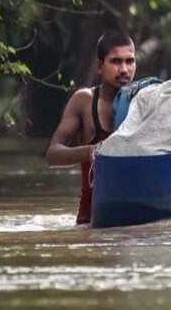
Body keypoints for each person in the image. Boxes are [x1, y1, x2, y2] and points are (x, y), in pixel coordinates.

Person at [46, 31, 136, 224]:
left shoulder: (145, 101)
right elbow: (52, 155)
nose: (124, 69)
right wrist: (90, 151)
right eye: (116, 61)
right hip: (92, 221)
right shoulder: (84, 101)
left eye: (130, 61)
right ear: (100, 66)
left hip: (136, 217)